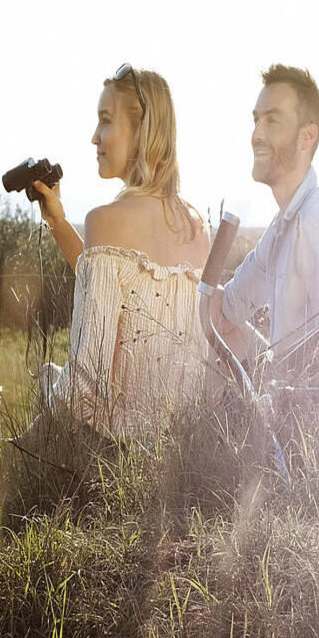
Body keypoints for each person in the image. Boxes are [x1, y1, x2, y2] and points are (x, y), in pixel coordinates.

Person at [27, 64, 213, 439]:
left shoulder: (105, 219)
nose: (94, 137)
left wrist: (20, 443)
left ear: (141, 131)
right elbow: (129, 295)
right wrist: (60, 225)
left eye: (105, 121)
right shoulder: (197, 229)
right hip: (176, 448)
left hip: (111, 453)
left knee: (47, 383)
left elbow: (83, 385)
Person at [210, 63, 319, 364]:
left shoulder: (317, 219)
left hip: (314, 408)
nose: (256, 134)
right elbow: (228, 308)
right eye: (256, 120)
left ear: (307, 136)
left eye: (273, 121)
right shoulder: (283, 225)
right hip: (282, 395)